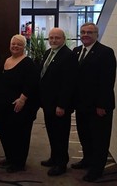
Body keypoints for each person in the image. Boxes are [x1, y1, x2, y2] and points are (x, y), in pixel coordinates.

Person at [71, 22, 116, 182]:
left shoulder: (106, 52)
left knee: (99, 139)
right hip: (81, 105)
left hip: (99, 106)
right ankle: (87, 160)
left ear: (96, 34)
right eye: (83, 32)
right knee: (85, 136)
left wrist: (102, 105)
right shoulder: (77, 51)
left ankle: (97, 170)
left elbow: (107, 81)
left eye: (89, 32)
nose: (85, 35)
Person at [0, 34, 39, 173]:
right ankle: (10, 157)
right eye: (13, 44)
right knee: (6, 133)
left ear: (24, 47)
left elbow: (32, 84)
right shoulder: (7, 60)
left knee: (20, 135)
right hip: (3, 107)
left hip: (19, 107)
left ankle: (19, 163)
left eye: (19, 44)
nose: (15, 46)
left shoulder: (28, 63)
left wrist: (22, 99)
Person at [39, 28, 78, 176]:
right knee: (52, 132)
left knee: (61, 135)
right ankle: (54, 158)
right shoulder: (48, 53)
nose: (53, 40)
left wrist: (62, 105)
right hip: (48, 104)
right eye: (51, 38)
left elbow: (69, 84)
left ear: (63, 39)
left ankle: (61, 164)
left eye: (57, 38)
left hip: (60, 106)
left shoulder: (68, 56)